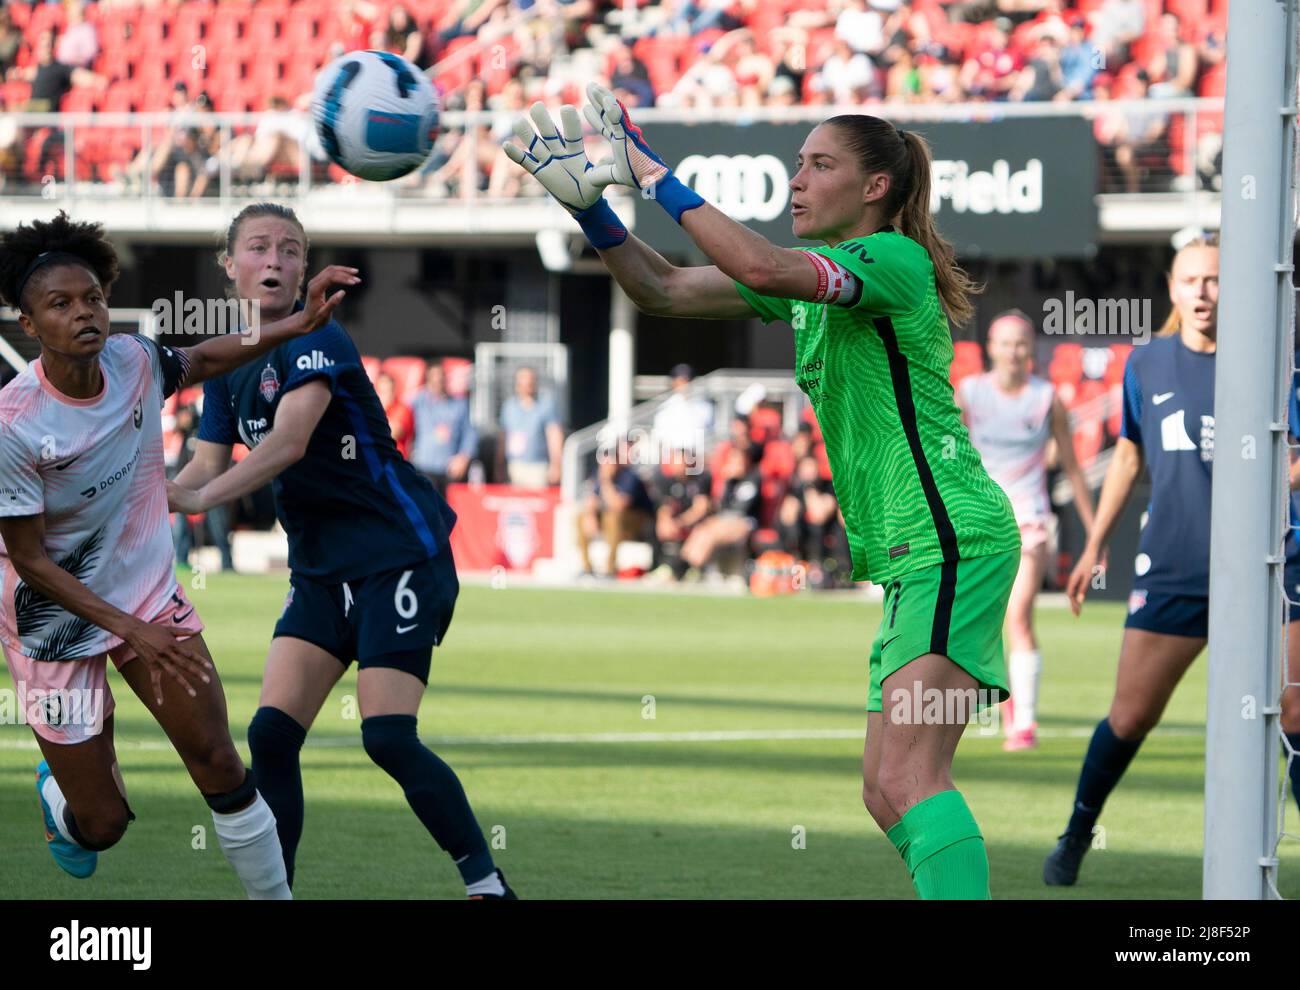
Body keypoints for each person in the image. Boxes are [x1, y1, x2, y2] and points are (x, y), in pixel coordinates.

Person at [505, 86, 1022, 898]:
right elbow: (664, 290)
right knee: (884, 790)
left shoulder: (892, 258)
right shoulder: (816, 281)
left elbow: (756, 264)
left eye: (820, 165)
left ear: (875, 188)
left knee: (914, 778)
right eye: (797, 164)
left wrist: (647, 168)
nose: (800, 181)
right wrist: (592, 212)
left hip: (950, 537)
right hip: (914, 554)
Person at [0, 210, 357, 895]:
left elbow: (199, 359)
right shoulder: (15, 429)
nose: (86, 314)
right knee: (102, 825)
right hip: (52, 619)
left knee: (220, 763)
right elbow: (34, 565)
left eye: (94, 298)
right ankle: (62, 798)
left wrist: (296, 326)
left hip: (147, 598)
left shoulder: (132, 361)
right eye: (61, 304)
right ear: (29, 325)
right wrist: (127, 631)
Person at [166, 203, 514, 899]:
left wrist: (198, 503)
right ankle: (278, 895)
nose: (276, 260)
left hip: (397, 555)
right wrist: (145, 494)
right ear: (229, 267)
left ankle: (486, 886)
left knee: (385, 736)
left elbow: (288, 443)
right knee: (269, 736)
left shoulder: (318, 340)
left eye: (291, 250)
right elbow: (202, 468)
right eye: (259, 248)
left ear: (303, 269)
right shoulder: (228, 364)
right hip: (321, 571)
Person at [1043, 233, 1218, 886]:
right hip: (1176, 561)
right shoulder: (1148, 364)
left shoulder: (1273, 361)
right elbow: (1129, 451)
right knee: (1131, 715)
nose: (1204, 292)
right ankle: (1078, 833)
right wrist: (1093, 546)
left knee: (1291, 713)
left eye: (1217, 280)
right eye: (1192, 280)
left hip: (1272, 566)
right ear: (1172, 288)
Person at [957, 310, 1096, 750]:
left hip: (1029, 520)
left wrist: (1095, 537)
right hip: (978, 522)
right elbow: (952, 461)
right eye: (1005, 343)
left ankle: (1025, 723)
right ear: (990, 349)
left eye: (1021, 343)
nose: (1013, 351)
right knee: (982, 624)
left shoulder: (1047, 398)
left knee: (1018, 616)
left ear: (1031, 350)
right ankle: (1002, 710)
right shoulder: (970, 394)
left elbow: (1073, 468)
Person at [576, 458, 655, 576]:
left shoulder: (629, 477)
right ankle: (586, 567)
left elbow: (619, 505)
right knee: (581, 518)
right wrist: (591, 515)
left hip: (636, 522)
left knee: (613, 517)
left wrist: (606, 482)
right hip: (614, 521)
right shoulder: (599, 477)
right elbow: (592, 500)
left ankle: (610, 567)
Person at [409, 362, 477, 494]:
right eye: (433, 378)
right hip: (424, 467)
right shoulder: (419, 401)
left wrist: (463, 457)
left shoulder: (459, 404)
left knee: (452, 511)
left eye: (440, 378)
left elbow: (470, 434)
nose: (437, 381)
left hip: (450, 469)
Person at [499, 365, 563, 488]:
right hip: (514, 466)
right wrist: (500, 465)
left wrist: (556, 465)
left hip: (537, 467)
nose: (526, 384)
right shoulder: (509, 407)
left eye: (530, 381)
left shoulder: (546, 405)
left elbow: (554, 437)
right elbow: (503, 437)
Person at [375, 372, 415, 459]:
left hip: (396, 459)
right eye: (383, 392)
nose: (388, 395)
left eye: (390, 390)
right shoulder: (374, 408)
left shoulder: (403, 409)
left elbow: (393, 432)